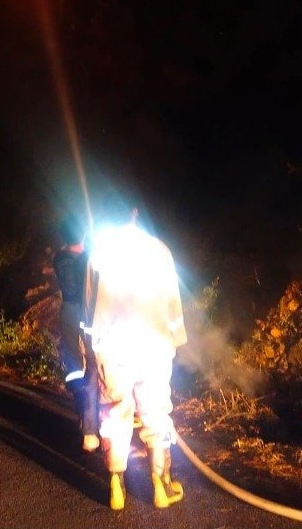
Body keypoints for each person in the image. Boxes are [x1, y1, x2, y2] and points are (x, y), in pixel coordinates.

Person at [84, 208, 187, 510]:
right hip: (153, 346)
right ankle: (160, 486)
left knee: (115, 417)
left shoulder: (99, 252)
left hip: (114, 348)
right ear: (135, 212)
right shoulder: (159, 250)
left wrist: (90, 351)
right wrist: (175, 341)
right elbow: (172, 302)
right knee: (156, 415)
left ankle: (116, 486)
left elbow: (90, 308)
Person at [51, 217, 100, 452]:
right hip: (88, 312)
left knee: (74, 364)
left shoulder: (59, 259)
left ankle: (83, 413)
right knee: (93, 364)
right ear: (82, 235)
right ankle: (94, 421)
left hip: (69, 312)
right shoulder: (88, 258)